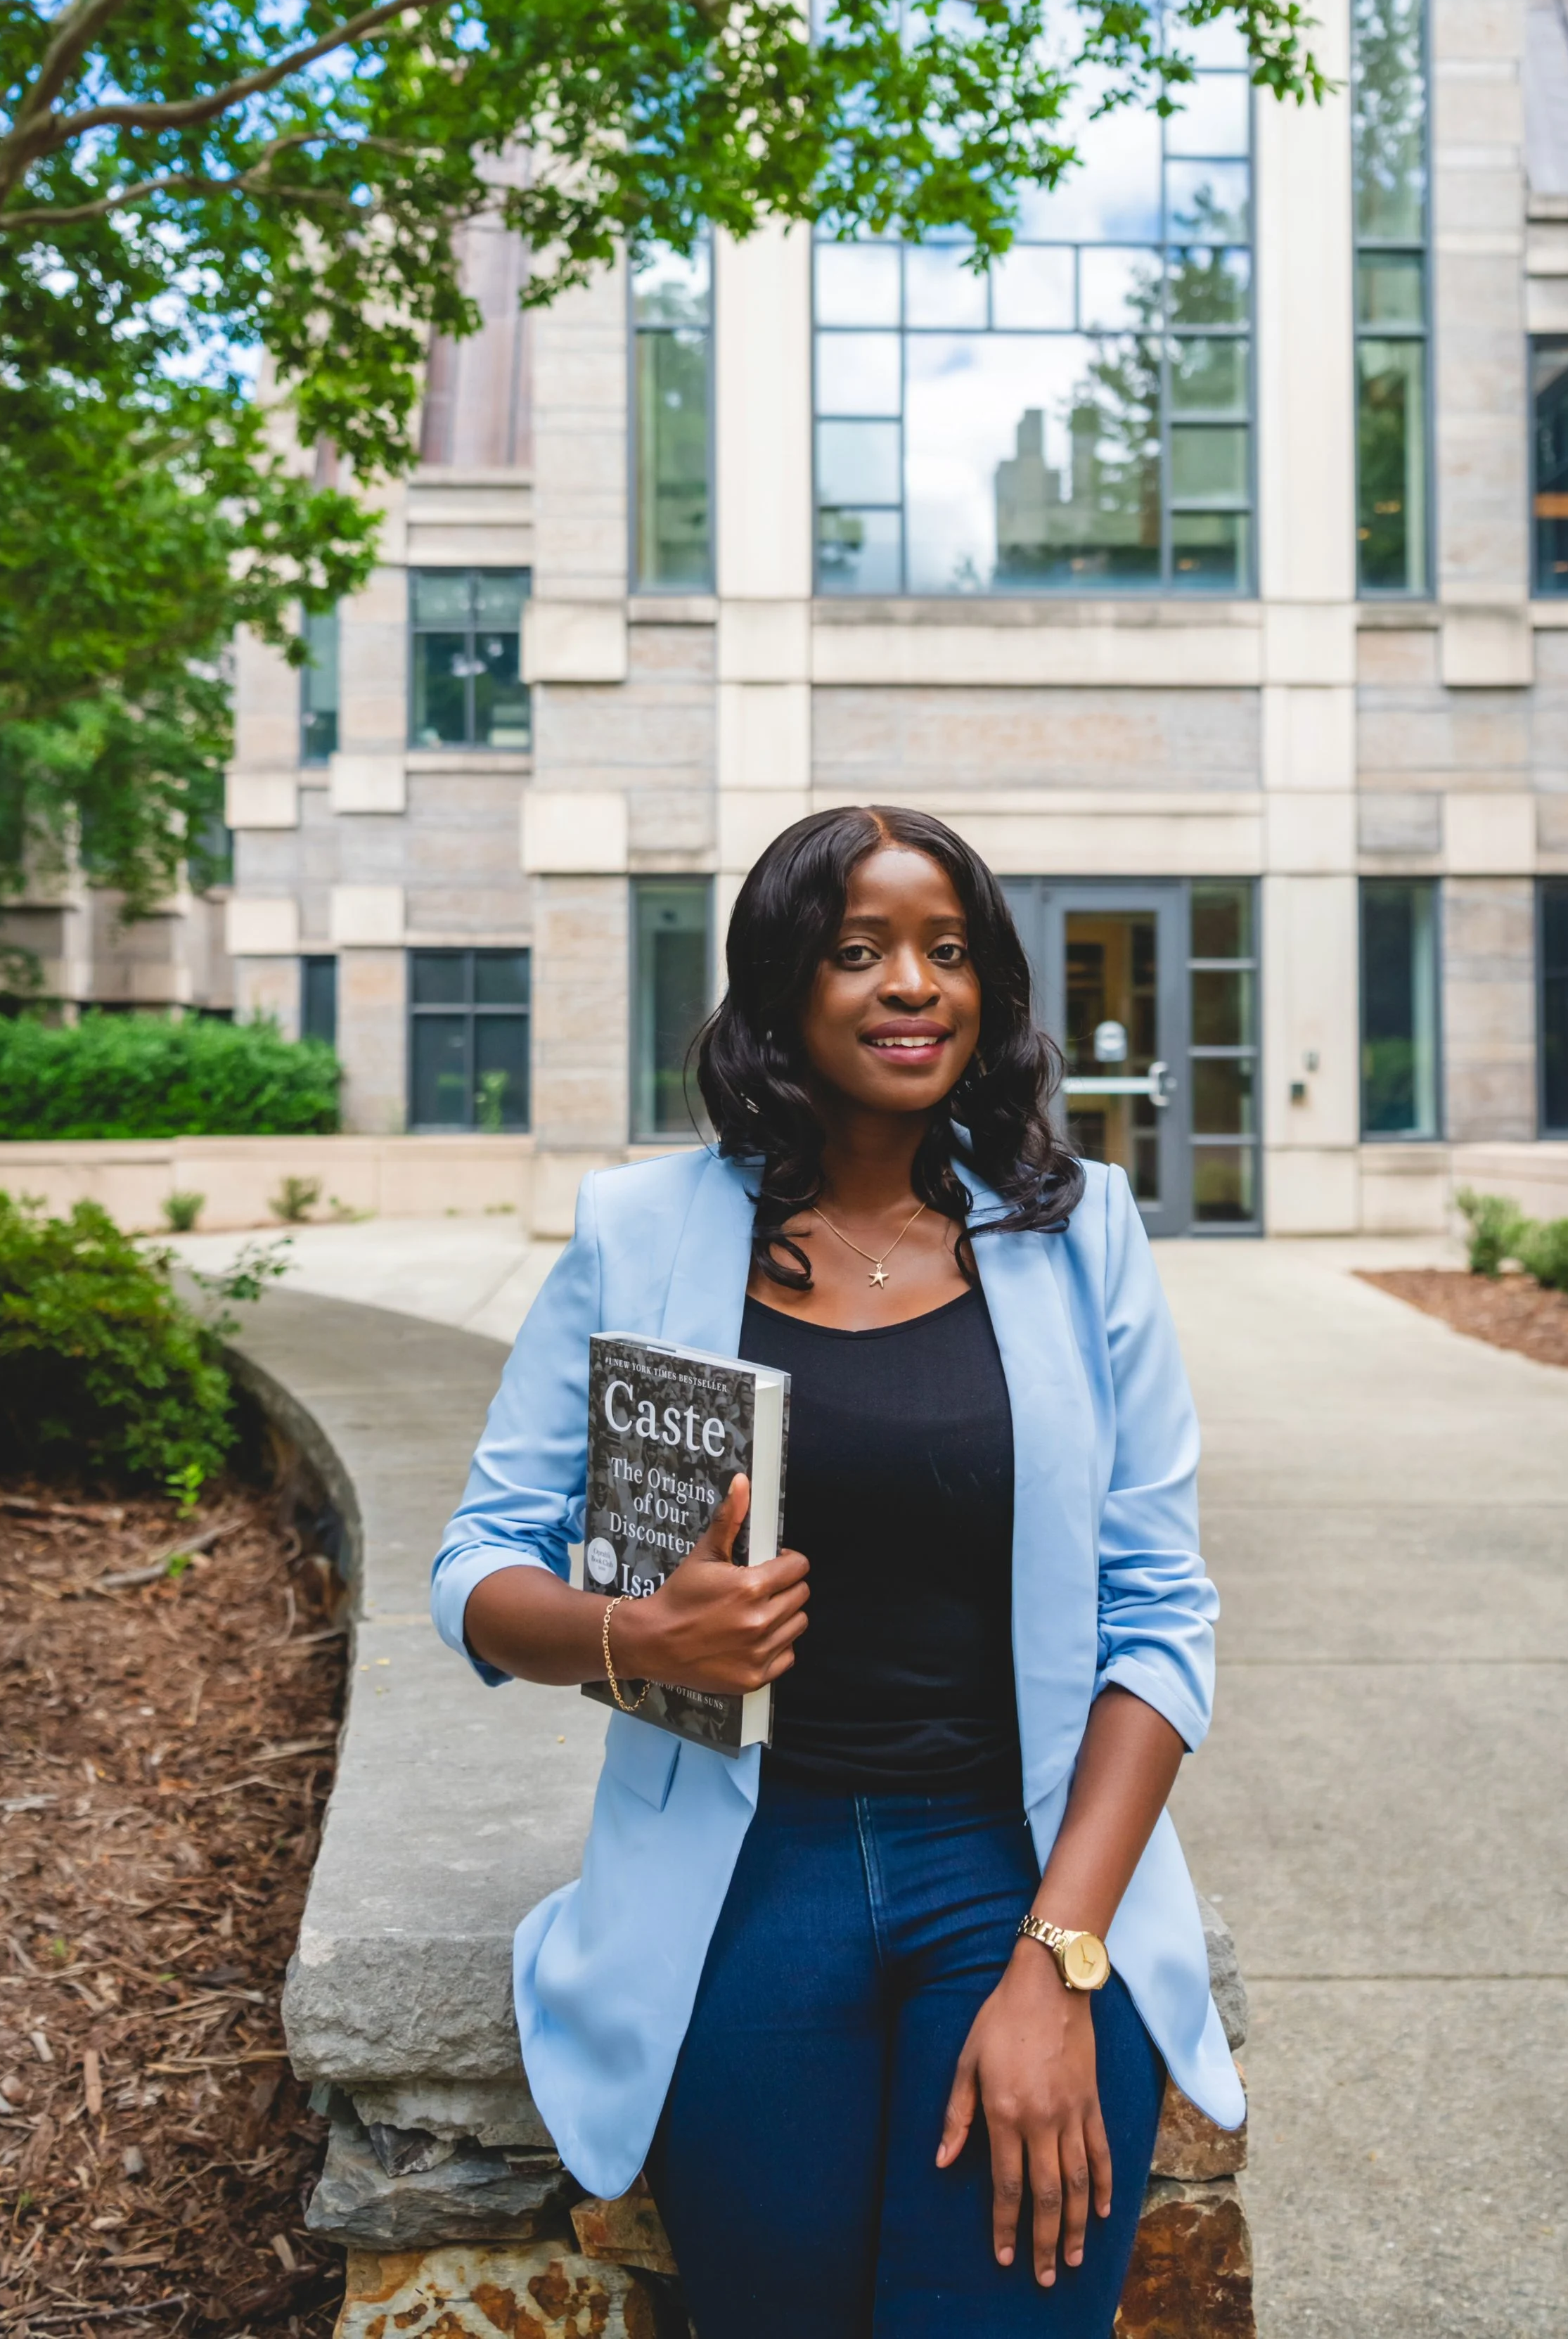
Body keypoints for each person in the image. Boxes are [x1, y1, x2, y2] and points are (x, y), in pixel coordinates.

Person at [430, 804, 1242, 2339]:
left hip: (1012, 1862)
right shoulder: (638, 1230)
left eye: (944, 949)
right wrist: (636, 1632)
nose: (909, 983)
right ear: (784, 984)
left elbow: (1157, 1617)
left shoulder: (1082, 1237)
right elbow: (477, 1562)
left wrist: (1059, 1960)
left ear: (988, 987)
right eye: (858, 948)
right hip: (747, 1882)